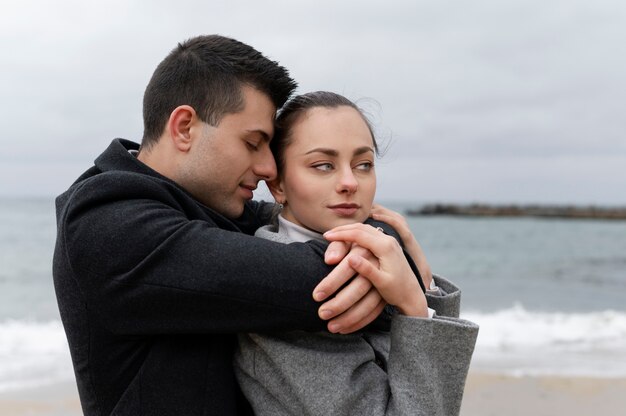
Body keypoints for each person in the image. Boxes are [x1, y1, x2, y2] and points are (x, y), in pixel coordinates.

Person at [52, 35, 420, 416]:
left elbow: (325, 222)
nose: (268, 168)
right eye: (253, 143)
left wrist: (386, 238)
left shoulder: (211, 205)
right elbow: (302, 280)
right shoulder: (107, 223)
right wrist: (390, 265)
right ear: (184, 127)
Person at [234, 92, 479, 415]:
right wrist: (414, 307)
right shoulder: (280, 287)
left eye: (364, 165)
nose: (350, 182)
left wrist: (421, 275)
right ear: (278, 185)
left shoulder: (371, 252)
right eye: (323, 166)